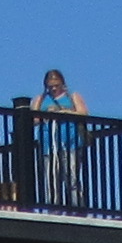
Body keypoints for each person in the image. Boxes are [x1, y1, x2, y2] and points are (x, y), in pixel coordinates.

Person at [32, 67, 89, 207]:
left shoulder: (72, 97)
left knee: (72, 177)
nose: (54, 89)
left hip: (71, 143)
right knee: (51, 179)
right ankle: (54, 208)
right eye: (50, 86)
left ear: (62, 84)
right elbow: (34, 120)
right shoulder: (41, 99)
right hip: (48, 145)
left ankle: (77, 207)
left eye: (56, 86)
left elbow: (83, 113)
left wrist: (63, 112)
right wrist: (45, 114)